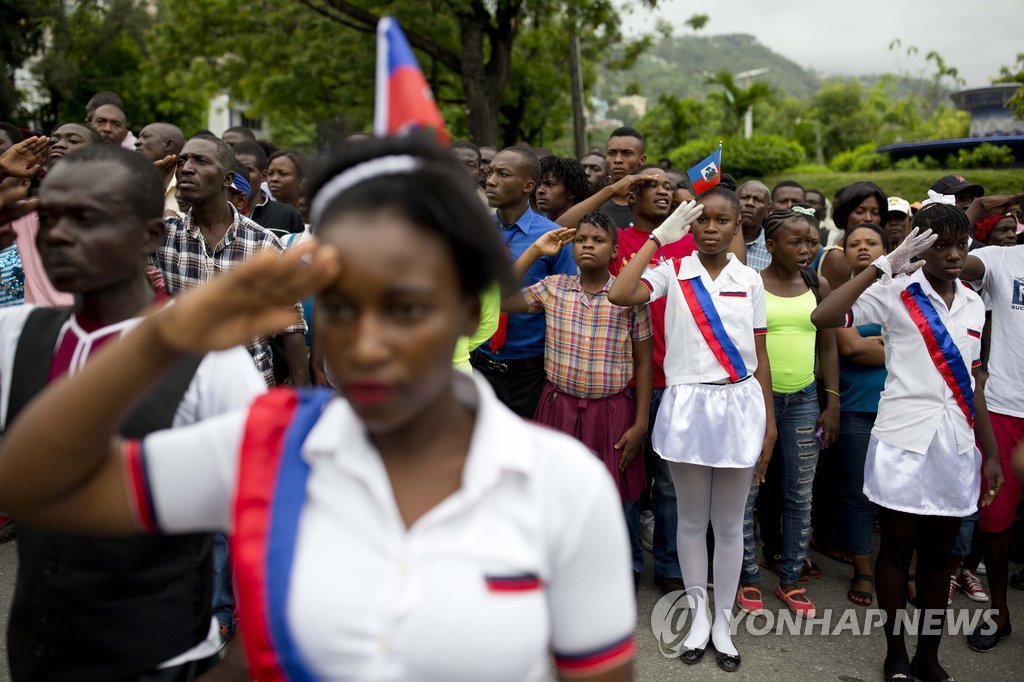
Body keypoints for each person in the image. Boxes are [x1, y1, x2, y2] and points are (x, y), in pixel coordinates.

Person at [0, 135, 637, 682]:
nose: (366, 343)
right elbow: (38, 486)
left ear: (469, 311)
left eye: (405, 307)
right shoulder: (268, 446)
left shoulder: (560, 482)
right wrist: (167, 336)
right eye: (338, 306)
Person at [0, 143, 264, 681]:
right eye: (48, 217)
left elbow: (269, 524)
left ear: (150, 235)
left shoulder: (212, 362)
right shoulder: (15, 336)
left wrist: (241, 663)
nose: (59, 235)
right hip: (39, 656)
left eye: (87, 219)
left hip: (164, 661)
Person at [811, 206, 1003, 682]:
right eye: (942, 245)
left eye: (962, 245)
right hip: (902, 439)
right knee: (896, 549)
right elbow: (825, 315)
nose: (955, 255)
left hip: (956, 445)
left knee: (942, 555)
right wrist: (885, 264)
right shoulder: (894, 292)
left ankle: (928, 655)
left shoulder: (974, 305)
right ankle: (895, 653)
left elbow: (973, 384)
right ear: (920, 246)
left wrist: (992, 452)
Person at [610, 188, 776, 673]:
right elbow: (621, 293)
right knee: (688, 519)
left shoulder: (751, 280)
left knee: (728, 526)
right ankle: (698, 616)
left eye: (723, 221)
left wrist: (767, 426)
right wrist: (658, 239)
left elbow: (759, 357)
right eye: (702, 220)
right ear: (690, 225)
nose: (711, 229)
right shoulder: (671, 272)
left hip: (739, 405)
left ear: (737, 226)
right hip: (687, 405)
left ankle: (723, 623)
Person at [503, 211, 653, 582]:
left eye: (598, 240)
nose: (588, 245)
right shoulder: (553, 287)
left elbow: (645, 361)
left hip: (612, 409)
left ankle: (623, 568)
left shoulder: (629, 296)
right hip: (559, 406)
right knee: (557, 492)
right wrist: (536, 250)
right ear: (571, 246)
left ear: (615, 250)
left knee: (618, 495)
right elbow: (501, 299)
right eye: (582, 239)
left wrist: (640, 422)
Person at [738, 208, 840, 618]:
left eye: (811, 242)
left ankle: (791, 579)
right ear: (770, 245)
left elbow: (828, 345)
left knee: (799, 494)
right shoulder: (751, 285)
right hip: (755, 401)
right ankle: (747, 577)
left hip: (803, 400)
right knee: (747, 494)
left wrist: (831, 401)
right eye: (795, 242)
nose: (805, 249)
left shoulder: (819, 282)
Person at [153, 134, 309, 388]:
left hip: (249, 386)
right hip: (180, 386)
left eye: (200, 161)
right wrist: (148, 186)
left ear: (227, 179)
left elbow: (290, 323)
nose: (187, 169)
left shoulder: (262, 242)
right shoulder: (164, 235)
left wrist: (301, 390)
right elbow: (114, 242)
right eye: (182, 162)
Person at [955, 237, 1024, 651]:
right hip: (1005, 408)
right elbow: (949, 254)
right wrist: (975, 206)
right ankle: (1000, 614)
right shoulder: (1001, 258)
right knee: (995, 519)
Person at [472, 146, 575, 417]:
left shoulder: (554, 239)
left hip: (531, 371)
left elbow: (566, 304)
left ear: (528, 185)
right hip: (478, 362)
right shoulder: (475, 232)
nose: (490, 181)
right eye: (490, 172)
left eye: (502, 174)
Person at [834, 223, 891, 607]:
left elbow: (922, 343)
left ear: (887, 248)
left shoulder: (904, 292)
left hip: (898, 409)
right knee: (857, 494)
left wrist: (874, 342)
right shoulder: (841, 298)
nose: (863, 248)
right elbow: (852, 349)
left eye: (871, 242)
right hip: (855, 408)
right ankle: (864, 570)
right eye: (854, 243)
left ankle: (904, 571)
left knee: (898, 497)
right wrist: (890, 343)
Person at [819, 182, 888, 289]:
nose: (868, 218)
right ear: (845, 214)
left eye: (875, 213)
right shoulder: (837, 257)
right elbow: (836, 303)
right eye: (860, 212)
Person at [232, 140, 305, 237]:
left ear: (263, 176)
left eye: (247, 170)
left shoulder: (287, 215)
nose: (240, 175)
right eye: (234, 170)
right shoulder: (217, 214)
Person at [134, 122, 186, 217]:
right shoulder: (131, 180)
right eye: (139, 137)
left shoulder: (190, 185)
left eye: (145, 137)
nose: (136, 142)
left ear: (168, 145)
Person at [600, 127, 646, 227]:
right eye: (612, 153)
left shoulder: (654, 205)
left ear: (642, 160)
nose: (617, 160)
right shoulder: (594, 204)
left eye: (626, 153)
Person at [535, 156, 588, 221]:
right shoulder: (533, 225)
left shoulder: (590, 228)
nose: (540, 190)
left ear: (571, 192)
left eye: (550, 184)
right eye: (538, 185)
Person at [738, 180, 772, 272]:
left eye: (758, 200)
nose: (749, 203)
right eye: (744, 197)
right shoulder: (718, 239)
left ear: (768, 210)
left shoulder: (772, 249)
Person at [267, 149, 308, 223]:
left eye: (283, 174)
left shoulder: (311, 216)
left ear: (301, 178)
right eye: (270, 173)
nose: (274, 179)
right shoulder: (263, 214)